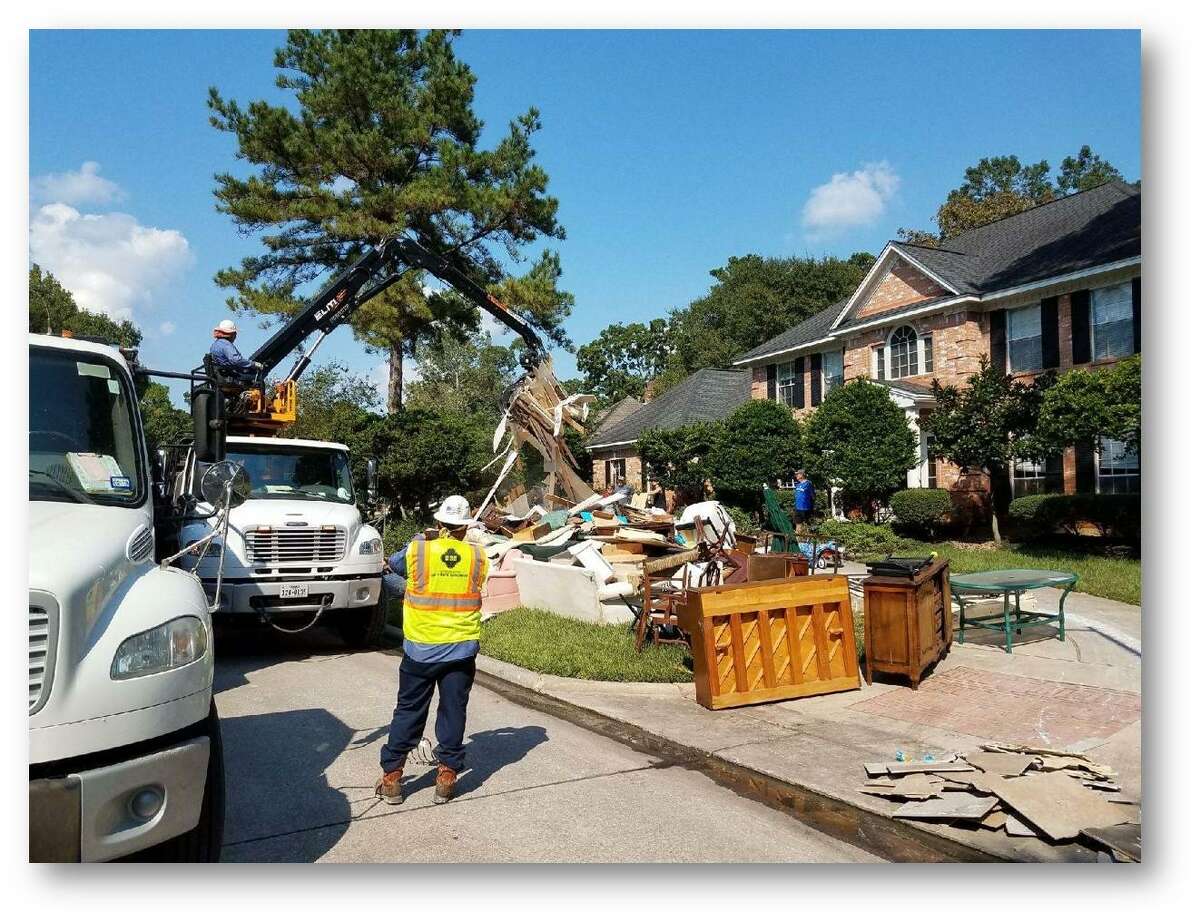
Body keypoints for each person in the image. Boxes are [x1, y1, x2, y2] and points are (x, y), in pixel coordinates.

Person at [375, 495, 489, 806]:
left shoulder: (418, 549)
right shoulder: (478, 556)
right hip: (461, 650)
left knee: (409, 711)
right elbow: (476, 581)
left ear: (438, 523)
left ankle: (393, 779)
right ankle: (447, 777)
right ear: (465, 527)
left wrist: (423, 539)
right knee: (453, 710)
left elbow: (395, 566)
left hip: (421, 649)